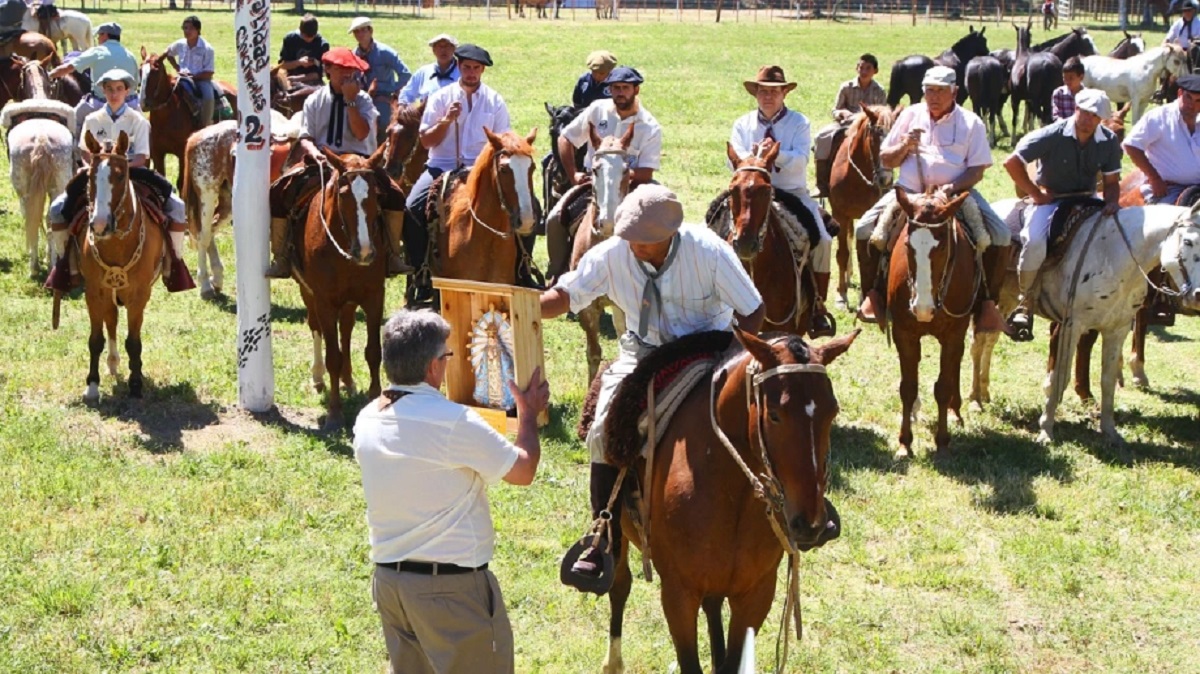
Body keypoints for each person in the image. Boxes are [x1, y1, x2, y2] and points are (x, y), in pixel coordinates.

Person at [540, 184, 765, 588]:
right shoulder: (613, 253)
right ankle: (603, 534)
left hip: (709, 353)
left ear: (671, 234)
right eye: (629, 237)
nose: (635, 247)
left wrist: (734, 359)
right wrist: (522, 308)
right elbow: (567, 293)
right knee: (602, 428)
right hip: (642, 356)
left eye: (645, 241)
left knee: (765, 415)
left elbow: (753, 309)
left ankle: (792, 507)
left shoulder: (709, 252)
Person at [353, 309, 550, 674]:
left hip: (391, 586)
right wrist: (527, 416)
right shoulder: (453, 421)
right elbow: (523, 471)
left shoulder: (366, 418)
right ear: (432, 367)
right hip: (450, 592)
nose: (448, 365)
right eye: (446, 357)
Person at [853, 65, 1009, 332]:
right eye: (929, 91)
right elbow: (886, 159)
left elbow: (977, 169)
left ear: (955, 92)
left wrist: (951, 188)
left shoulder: (971, 122)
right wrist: (904, 146)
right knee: (864, 229)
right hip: (909, 194)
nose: (933, 97)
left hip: (955, 196)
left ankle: (987, 303)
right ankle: (873, 295)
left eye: (940, 91)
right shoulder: (911, 115)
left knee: (1001, 234)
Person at [45, 69, 194, 294]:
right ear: (103, 91)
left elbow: (143, 157)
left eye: (119, 89)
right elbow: (85, 152)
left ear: (127, 91)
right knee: (57, 209)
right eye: (109, 89)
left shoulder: (138, 121)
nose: (114, 94)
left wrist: (118, 168)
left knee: (177, 206)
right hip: (96, 174)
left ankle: (173, 264)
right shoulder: (92, 120)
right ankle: (68, 266)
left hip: (133, 173)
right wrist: (96, 167)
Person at [266, 48, 408, 279]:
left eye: (351, 70)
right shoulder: (314, 99)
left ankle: (393, 254)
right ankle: (281, 256)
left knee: (395, 194)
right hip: (323, 158)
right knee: (280, 191)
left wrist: (351, 102)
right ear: (328, 70)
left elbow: (362, 134)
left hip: (359, 162)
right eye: (341, 69)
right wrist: (316, 153)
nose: (346, 75)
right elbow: (306, 137)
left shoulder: (363, 101)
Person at [1003, 89, 1123, 340]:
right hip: (1051, 198)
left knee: (1116, 238)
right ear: (1076, 109)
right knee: (1035, 242)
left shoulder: (1109, 141)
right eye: (1086, 113)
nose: (1089, 119)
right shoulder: (1052, 134)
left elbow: (1111, 181)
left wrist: (1111, 203)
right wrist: (1035, 193)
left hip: (1088, 198)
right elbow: (1012, 162)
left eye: (1096, 115)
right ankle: (1025, 302)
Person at [729, 65, 835, 337]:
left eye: (774, 92)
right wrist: (754, 161)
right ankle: (710, 301)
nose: (768, 97)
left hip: (790, 192)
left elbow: (800, 160)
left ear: (784, 93)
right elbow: (734, 159)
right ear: (756, 94)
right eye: (763, 91)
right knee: (713, 227)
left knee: (822, 240)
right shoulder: (743, 124)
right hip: (750, 191)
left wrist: (775, 156)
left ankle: (818, 308)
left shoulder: (799, 123)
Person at [404, 44, 511, 304]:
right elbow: (427, 141)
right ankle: (419, 272)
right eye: (466, 67)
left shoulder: (495, 101)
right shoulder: (441, 98)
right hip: (441, 166)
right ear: (458, 67)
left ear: (482, 70)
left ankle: (523, 268)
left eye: (476, 68)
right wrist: (445, 121)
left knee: (522, 206)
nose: (471, 73)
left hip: (480, 168)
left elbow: (503, 141)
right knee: (411, 208)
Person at [557, 66, 661, 189]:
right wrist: (573, 174)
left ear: (636, 90)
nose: (621, 93)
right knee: (562, 208)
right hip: (593, 182)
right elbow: (565, 138)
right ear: (610, 90)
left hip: (632, 186)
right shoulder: (596, 109)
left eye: (625, 88)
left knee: (663, 201)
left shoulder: (650, 127)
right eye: (616, 88)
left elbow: (646, 172)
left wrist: (614, 173)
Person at [48, 22, 140, 138]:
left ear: (105, 35)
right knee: (144, 126)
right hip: (131, 104)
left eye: (99, 35)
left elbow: (69, 67)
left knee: (73, 119)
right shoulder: (130, 55)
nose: (98, 38)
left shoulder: (97, 52)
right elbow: (136, 82)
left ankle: (76, 150)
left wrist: (49, 75)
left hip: (100, 103)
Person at [813, 54, 887, 197]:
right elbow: (835, 109)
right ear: (856, 68)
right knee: (821, 137)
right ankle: (821, 183)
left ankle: (886, 183)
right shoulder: (846, 87)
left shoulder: (879, 90)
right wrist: (841, 113)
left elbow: (882, 114)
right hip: (846, 125)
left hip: (868, 127)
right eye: (861, 67)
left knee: (884, 142)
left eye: (868, 68)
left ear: (875, 71)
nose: (863, 71)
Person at [1124, 74, 1200, 205]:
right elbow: (1132, 145)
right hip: (1169, 189)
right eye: (1189, 98)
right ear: (1180, 93)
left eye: (1198, 101)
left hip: (1197, 188)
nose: (1192, 105)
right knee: (1179, 223)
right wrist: (1154, 178)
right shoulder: (1160, 117)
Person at [349, 17, 411, 143]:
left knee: (382, 123)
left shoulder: (385, 52)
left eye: (363, 30)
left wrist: (389, 90)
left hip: (382, 97)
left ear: (370, 31)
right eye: (356, 32)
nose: (359, 34)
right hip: (360, 96)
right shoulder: (354, 55)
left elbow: (405, 74)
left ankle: (382, 151)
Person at [165, 15, 217, 129]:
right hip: (181, 78)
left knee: (208, 97)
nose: (187, 31)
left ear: (198, 30)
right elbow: (167, 53)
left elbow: (209, 72)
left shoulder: (207, 48)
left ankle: (206, 125)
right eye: (184, 28)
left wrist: (194, 77)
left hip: (201, 80)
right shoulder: (180, 44)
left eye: (190, 28)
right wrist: (177, 68)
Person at [398, 33, 460, 106]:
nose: (443, 50)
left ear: (454, 49)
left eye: (447, 46)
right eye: (439, 46)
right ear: (433, 50)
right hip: (427, 115)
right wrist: (403, 107)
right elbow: (407, 94)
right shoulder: (424, 72)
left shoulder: (462, 71)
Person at [278, 13, 330, 87]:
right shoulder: (290, 39)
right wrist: (299, 62)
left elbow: (321, 73)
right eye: (305, 36)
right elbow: (282, 65)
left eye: (312, 37)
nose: (309, 39)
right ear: (300, 31)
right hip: (290, 79)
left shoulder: (322, 44)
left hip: (313, 81)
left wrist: (298, 79)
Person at [1052, 57, 1086, 121]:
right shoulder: (1059, 93)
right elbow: (1056, 116)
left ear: (1081, 77)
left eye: (1071, 78)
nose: (1067, 81)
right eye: (1064, 78)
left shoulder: (1088, 95)